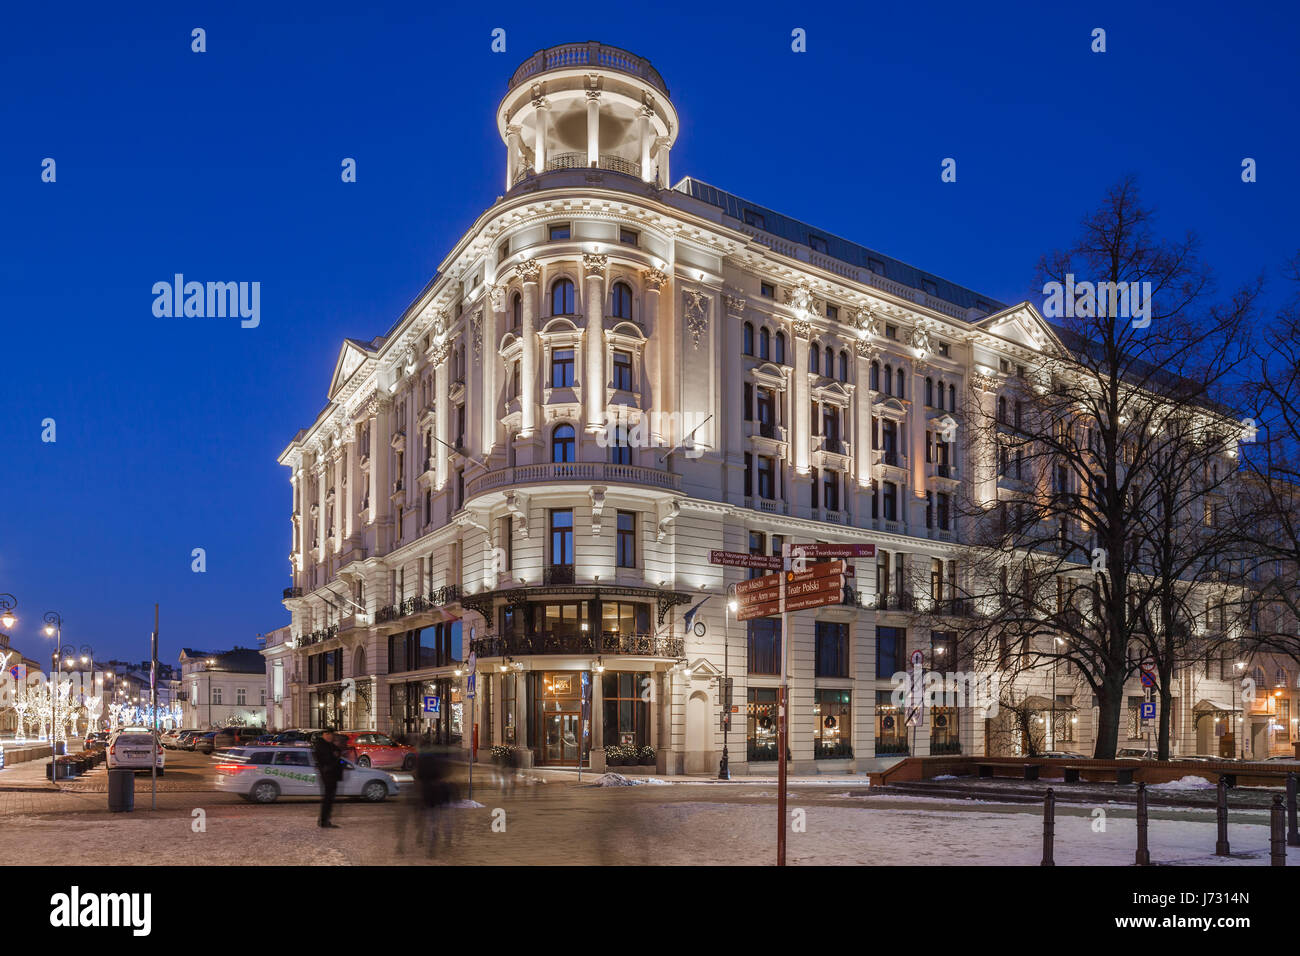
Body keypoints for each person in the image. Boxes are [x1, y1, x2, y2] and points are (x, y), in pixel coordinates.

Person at [311, 728, 344, 828]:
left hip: (331, 774)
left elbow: (338, 753)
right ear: (324, 735)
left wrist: (336, 755)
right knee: (328, 799)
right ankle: (324, 821)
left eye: (331, 734)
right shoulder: (322, 745)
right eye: (327, 734)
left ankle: (324, 820)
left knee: (329, 798)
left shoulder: (328, 744)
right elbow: (330, 758)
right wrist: (335, 756)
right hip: (328, 774)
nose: (330, 736)